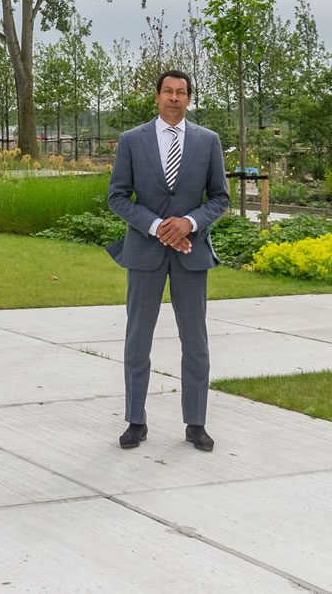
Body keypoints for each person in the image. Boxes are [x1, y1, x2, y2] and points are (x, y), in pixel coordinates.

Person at [107, 69, 229, 452]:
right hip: (144, 254)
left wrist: (189, 223)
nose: (174, 97)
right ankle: (135, 421)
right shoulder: (132, 141)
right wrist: (159, 226)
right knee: (137, 340)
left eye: (181, 92)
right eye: (167, 91)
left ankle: (196, 424)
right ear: (157, 97)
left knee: (195, 342)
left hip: (191, 256)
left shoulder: (208, 142)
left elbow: (220, 198)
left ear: (189, 99)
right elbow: (118, 197)